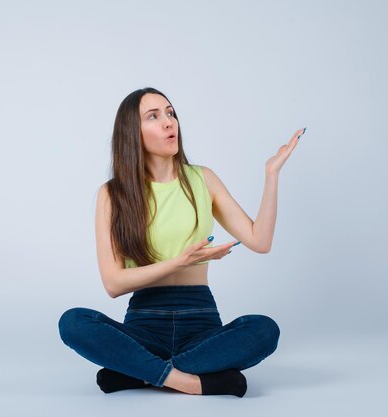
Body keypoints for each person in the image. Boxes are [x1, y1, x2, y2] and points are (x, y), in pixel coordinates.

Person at [58, 87, 305, 396]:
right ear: (132, 133)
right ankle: (191, 381)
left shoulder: (203, 179)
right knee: (73, 322)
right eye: (153, 116)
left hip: (200, 323)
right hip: (143, 324)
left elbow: (260, 240)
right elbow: (113, 284)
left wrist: (272, 174)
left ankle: (139, 373)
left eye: (170, 113)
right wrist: (179, 262)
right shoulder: (112, 195)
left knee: (265, 330)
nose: (168, 122)